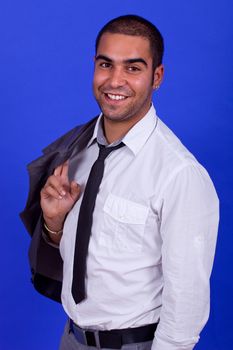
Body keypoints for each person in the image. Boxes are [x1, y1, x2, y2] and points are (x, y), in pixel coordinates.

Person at [20, 14, 219, 350]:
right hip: (72, 339)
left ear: (157, 77)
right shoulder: (76, 152)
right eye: (105, 64)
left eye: (133, 68)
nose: (115, 80)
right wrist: (54, 224)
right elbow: (87, 256)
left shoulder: (179, 174)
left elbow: (187, 301)